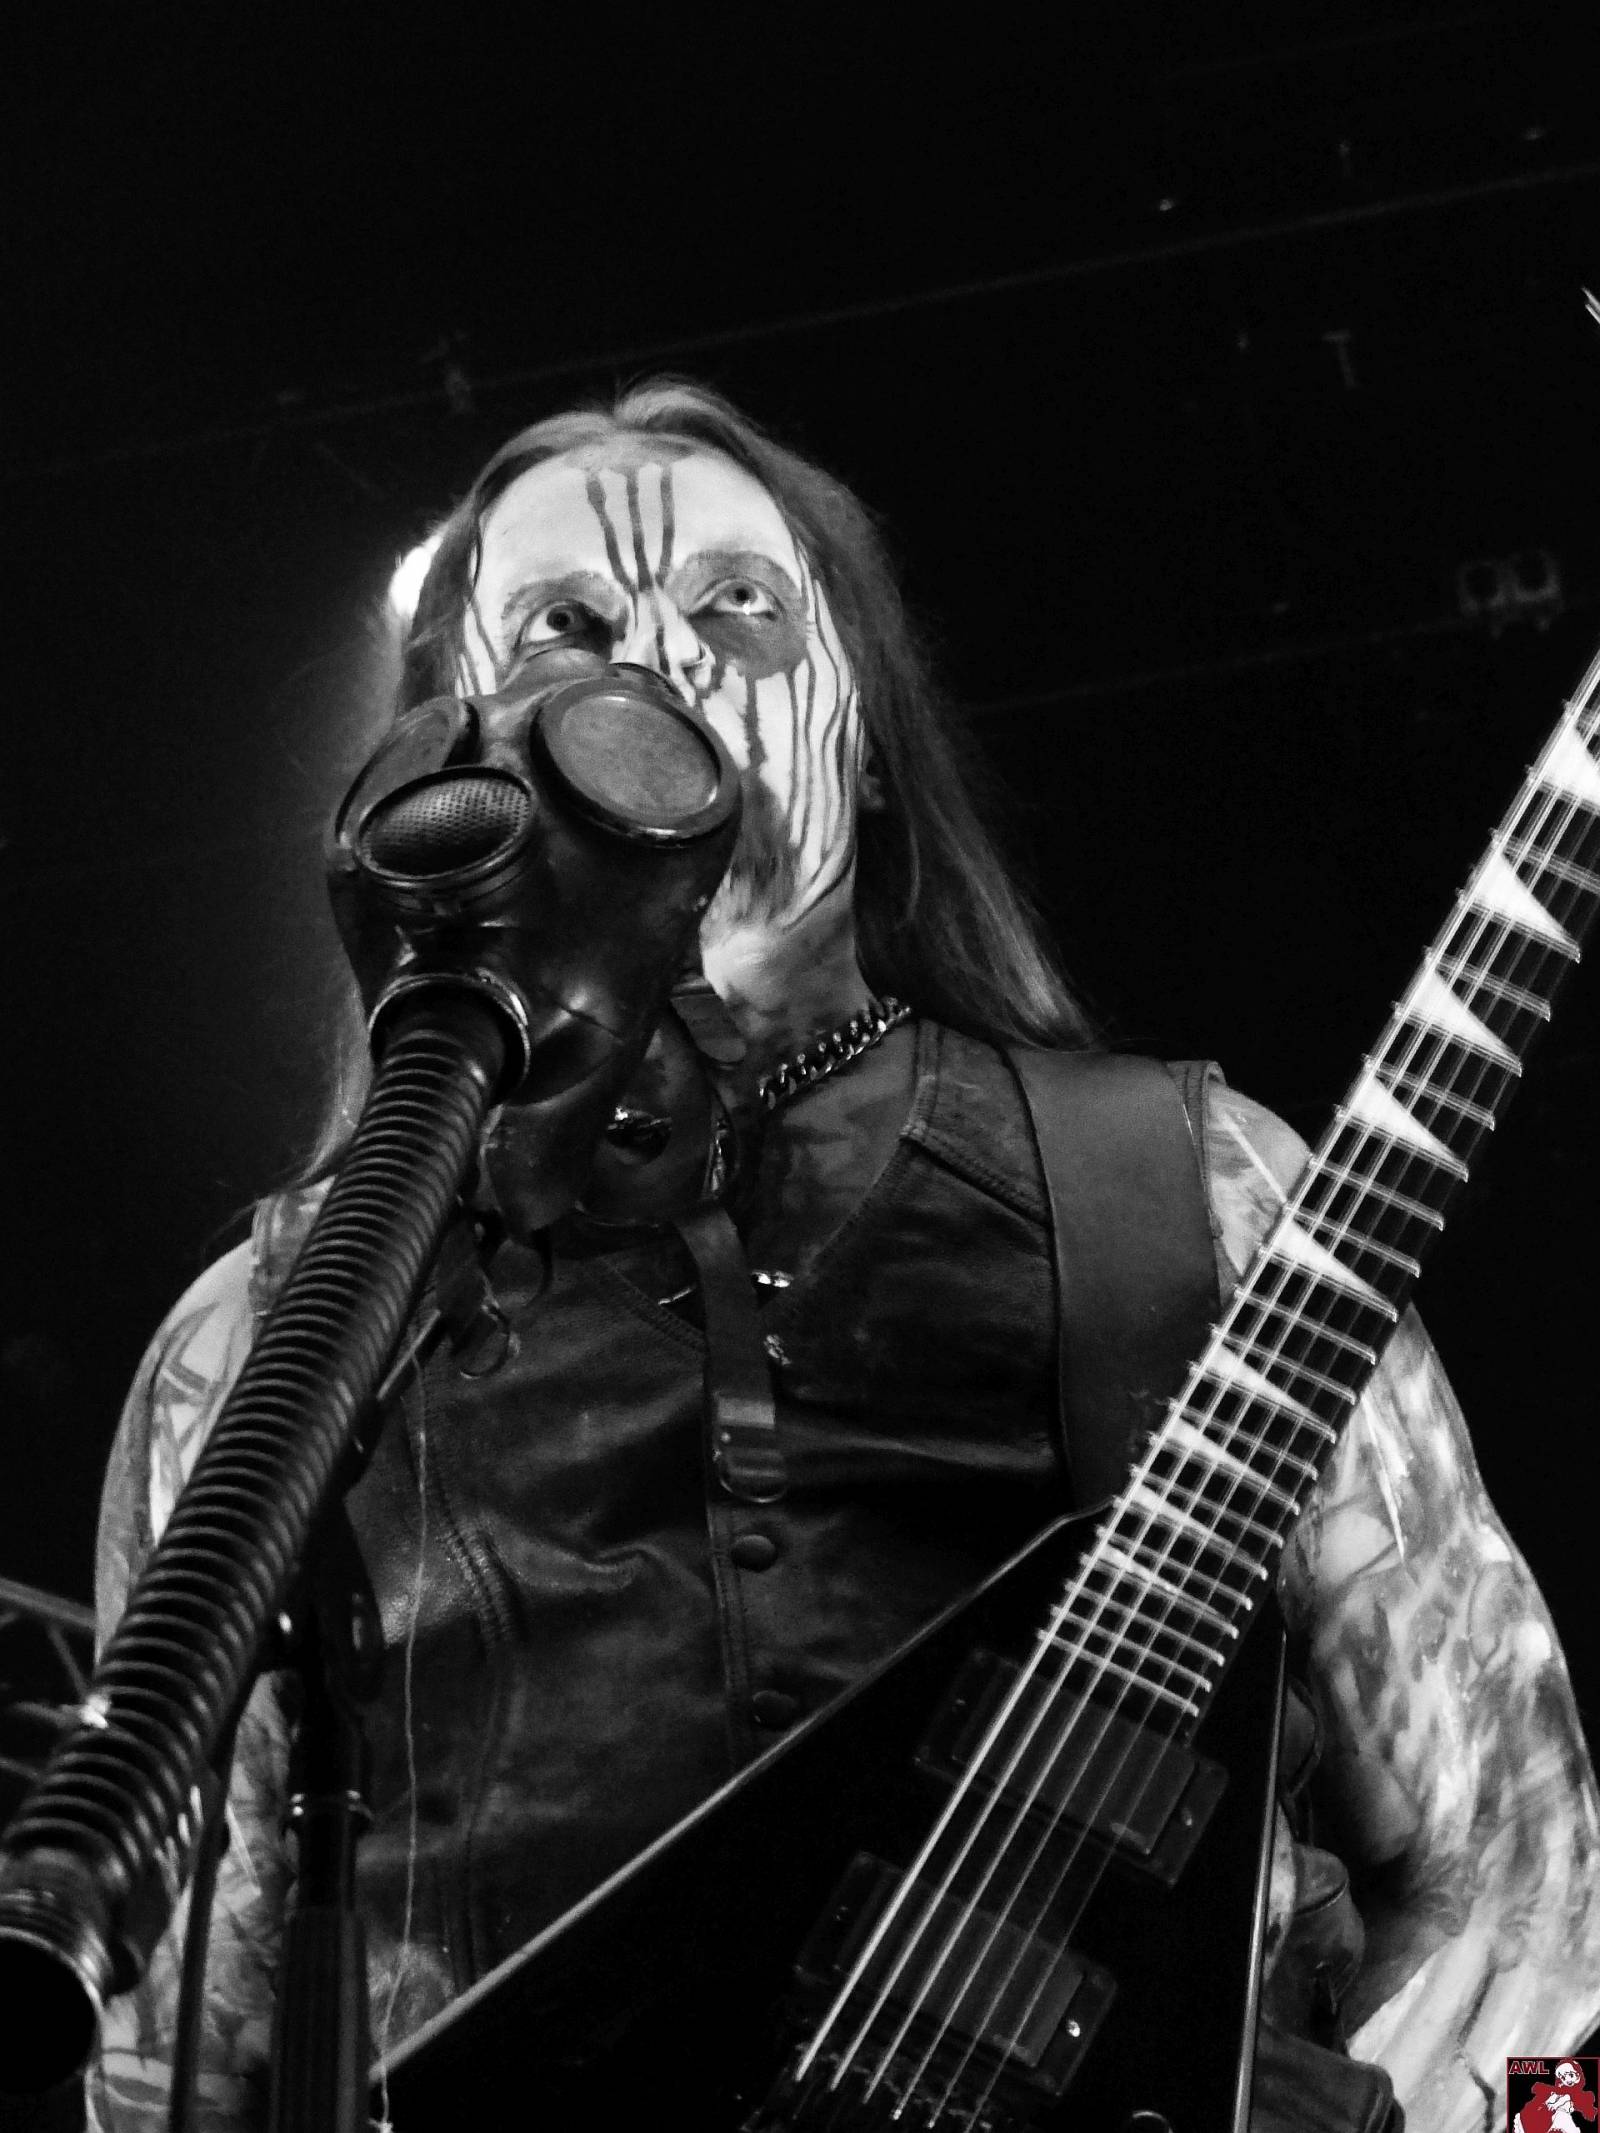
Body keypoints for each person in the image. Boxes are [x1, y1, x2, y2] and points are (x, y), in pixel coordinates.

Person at [85, 379, 1600, 2132]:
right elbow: (176, 2059)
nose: (661, 666)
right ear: (443, 774)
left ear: (870, 741)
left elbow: (1528, 1895)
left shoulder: (1202, 1197)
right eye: (568, 627)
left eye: (738, 602)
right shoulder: (268, 1337)